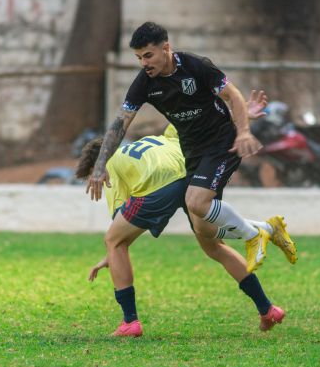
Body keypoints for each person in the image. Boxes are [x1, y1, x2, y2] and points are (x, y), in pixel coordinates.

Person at [78, 92, 297, 337]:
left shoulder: (108, 166)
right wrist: (242, 115)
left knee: (114, 241)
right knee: (214, 246)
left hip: (159, 184)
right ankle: (267, 308)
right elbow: (202, 124)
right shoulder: (160, 138)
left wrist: (112, 252)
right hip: (194, 176)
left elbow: (119, 232)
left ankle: (130, 322)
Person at [87, 21, 279, 274]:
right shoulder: (144, 83)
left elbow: (233, 95)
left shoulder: (196, 66)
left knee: (196, 202)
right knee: (204, 230)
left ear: (165, 48)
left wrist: (243, 131)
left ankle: (252, 236)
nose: (144, 63)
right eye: (138, 57)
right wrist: (100, 166)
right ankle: (266, 229)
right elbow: (120, 123)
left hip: (222, 142)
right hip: (191, 150)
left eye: (148, 55)